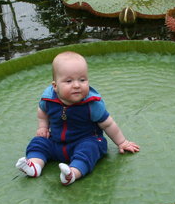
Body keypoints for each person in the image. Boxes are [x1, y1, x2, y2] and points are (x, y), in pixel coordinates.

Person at [16, 51, 139, 186]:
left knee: (89, 149)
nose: (76, 85)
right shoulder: (48, 99)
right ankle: (35, 166)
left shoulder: (92, 104)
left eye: (82, 80)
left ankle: (72, 173)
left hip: (84, 141)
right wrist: (43, 127)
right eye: (69, 81)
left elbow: (108, 124)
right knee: (39, 142)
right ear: (55, 86)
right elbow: (42, 112)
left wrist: (122, 142)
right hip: (55, 142)